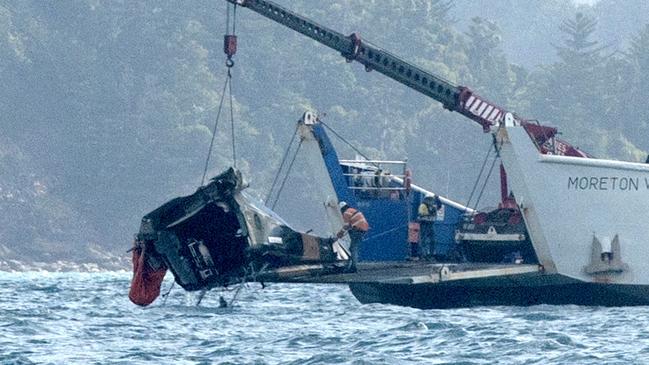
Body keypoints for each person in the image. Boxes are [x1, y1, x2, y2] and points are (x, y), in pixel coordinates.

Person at [337, 201, 369, 272]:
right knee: (354, 247)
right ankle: (353, 265)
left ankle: (353, 267)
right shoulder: (352, 210)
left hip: (357, 230)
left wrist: (340, 233)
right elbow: (351, 224)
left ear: (342, 209)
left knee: (352, 248)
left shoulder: (346, 213)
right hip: (362, 229)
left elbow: (346, 226)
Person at [417, 195, 440, 260]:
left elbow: (439, 206)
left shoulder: (433, 206)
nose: (431, 201)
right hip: (424, 225)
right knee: (423, 240)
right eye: (429, 199)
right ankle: (423, 255)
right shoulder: (423, 206)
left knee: (433, 240)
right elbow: (421, 215)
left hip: (431, 224)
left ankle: (431, 255)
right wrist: (428, 216)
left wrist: (438, 199)